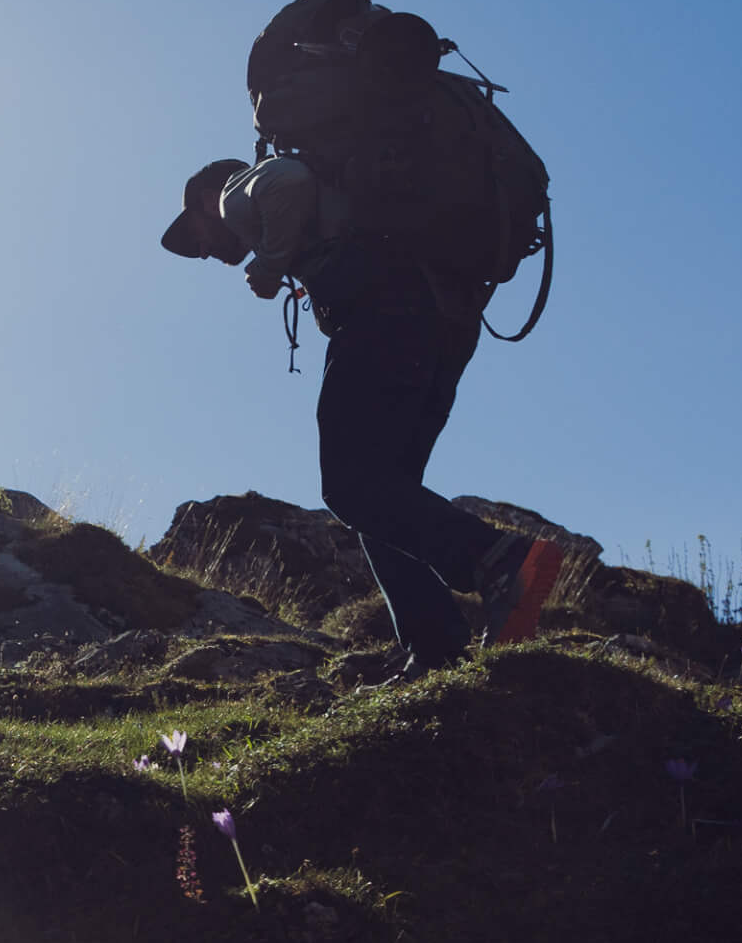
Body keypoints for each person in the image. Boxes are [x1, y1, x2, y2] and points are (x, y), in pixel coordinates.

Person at [164, 35, 563, 681]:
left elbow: (286, 184)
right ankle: (434, 649)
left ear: (208, 200)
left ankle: (500, 561)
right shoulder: (345, 192)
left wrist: (267, 265)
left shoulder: (239, 190)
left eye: (197, 234)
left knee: (348, 483)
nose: (204, 248)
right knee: (384, 494)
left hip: (387, 313)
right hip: (446, 320)